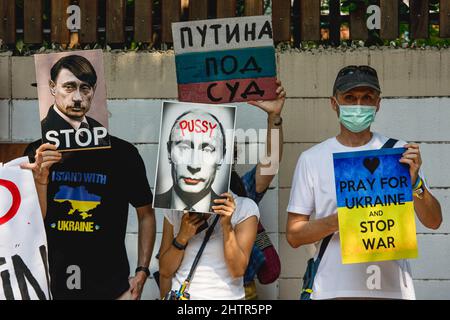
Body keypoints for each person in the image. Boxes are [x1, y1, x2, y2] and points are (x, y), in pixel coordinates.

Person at [286, 65, 442, 300]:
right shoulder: (312, 158)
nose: (358, 105)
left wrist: (415, 184)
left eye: (367, 97)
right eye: (349, 97)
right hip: (333, 290)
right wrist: (338, 221)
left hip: (394, 291)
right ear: (334, 103)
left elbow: (434, 221)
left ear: (378, 103)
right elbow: (294, 235)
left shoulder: (400, 153)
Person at [25, 133, 156, 299]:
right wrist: (41, 180)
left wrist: (142, 272)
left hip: (111, 288)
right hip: (48, 286)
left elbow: (146, 214)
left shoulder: (123, 153)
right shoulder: (39, 153)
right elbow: (29, 220)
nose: (77, 105)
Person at [158, 188, 259, 300]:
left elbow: (237, 270)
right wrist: (181, 237)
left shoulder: (244, 208)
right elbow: (165, 271)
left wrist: (227, 226)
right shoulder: (175, 208)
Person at [154, 109, 227, 212]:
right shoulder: (154, 205)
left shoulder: (231, 209)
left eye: (207, 150)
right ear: (169, 152)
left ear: (221, 157)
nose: (194, 166)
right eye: (184, 148)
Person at [41, 54, 110, 151]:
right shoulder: (41, 135)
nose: (78, 98)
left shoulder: (100, 131)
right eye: (69, 87)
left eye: (85, 88)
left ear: (94, 89)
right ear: (53, 87)